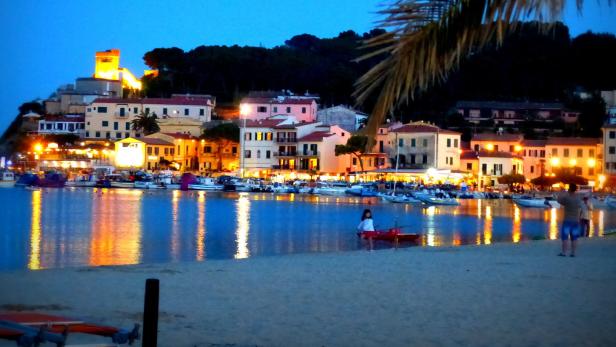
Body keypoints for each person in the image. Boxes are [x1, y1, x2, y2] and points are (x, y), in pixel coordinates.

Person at [557, 184, 582, 257]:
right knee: (574, 238)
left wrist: (562, 192)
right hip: (576, 221)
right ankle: (573, 253)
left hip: (567, 220)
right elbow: (580, 207)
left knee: (565, 237)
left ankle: (564, 252)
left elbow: (559, 200)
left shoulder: (567, 198)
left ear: (569, 189)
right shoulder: (578, 199)